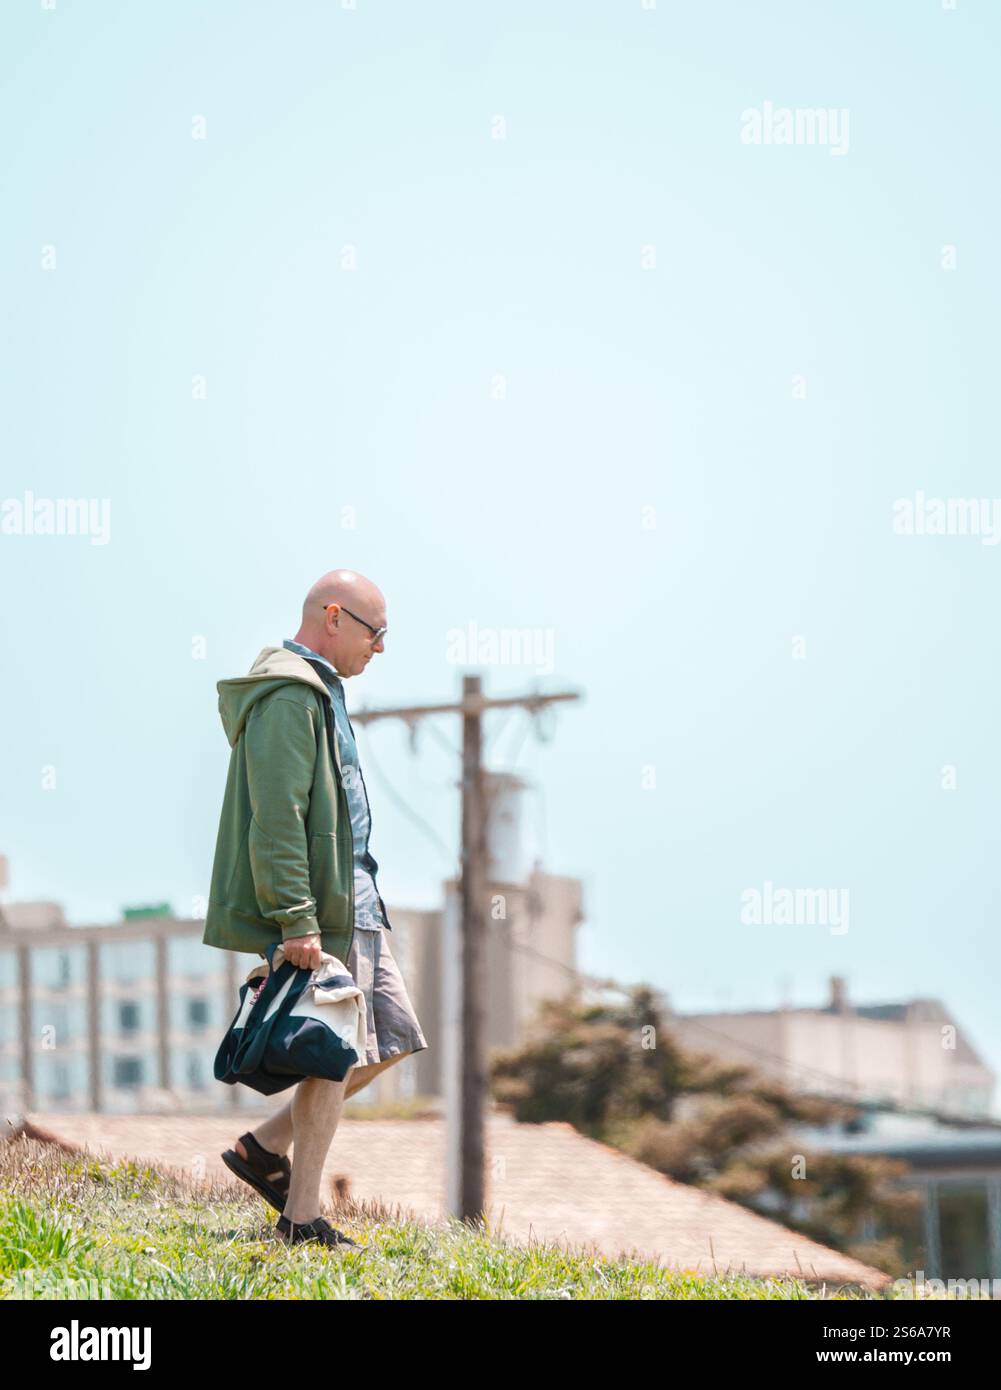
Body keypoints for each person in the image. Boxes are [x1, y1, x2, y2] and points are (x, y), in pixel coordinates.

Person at [203, 569, 429, 1248]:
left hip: (356, 897)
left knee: (391, 1039)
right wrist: (297, 919)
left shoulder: (320, 691)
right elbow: (277, 817)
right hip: (323, 909)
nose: (380, 648)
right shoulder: (286, 695)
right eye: (375, 631)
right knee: (332, 1054)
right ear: (334, 616)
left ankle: (263, 1151)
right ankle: (301, 1219)